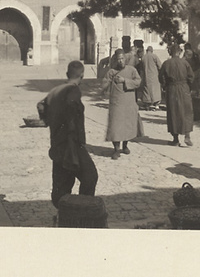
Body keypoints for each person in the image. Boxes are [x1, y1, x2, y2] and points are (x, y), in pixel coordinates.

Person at [37, 61, 98, 208]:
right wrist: (72, 129)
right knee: (90, 176)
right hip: (72, 145)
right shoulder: (73, 90)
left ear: (66, 74)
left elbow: (40, 105)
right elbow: (71, 106)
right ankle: (82, 208)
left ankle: (63, 213)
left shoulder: (55, 90)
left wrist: (47, 120)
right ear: (82, 76)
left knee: (62, 183)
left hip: (57, 144)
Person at [101, 49, 144, 160]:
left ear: (125, 59)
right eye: (118, 59)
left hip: (129, 102)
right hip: (116, 103)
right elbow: (104, 85)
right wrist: (108, 83)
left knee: (128, 125)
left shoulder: (132, 70)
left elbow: (138, 82)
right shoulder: (111, 72)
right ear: (116, 60)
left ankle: (125, 146)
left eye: (122, 58)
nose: (120, 61)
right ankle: (116, 149)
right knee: (115, 125)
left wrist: (125, 80)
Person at [159, 43, 195, 147]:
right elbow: (191, 77)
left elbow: (161, 77)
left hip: (172, 89)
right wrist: (188, 86)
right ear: (179, 52)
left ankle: (175, 139)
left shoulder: (166, 63)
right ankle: (187, 136)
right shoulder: (185, 63)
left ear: (170, 52)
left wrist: (166, 86)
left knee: (173, 113)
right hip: (184, 88)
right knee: (186, 112)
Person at [138, 46, 162, 110]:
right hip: (154, 76)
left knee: (147, 90)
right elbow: (160, 66)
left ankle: (147, 104)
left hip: (146, 76)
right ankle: (156, 105)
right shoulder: (154, 56)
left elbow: (141, 69)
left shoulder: (143, 57)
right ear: (152, 50)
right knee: (155, 90)